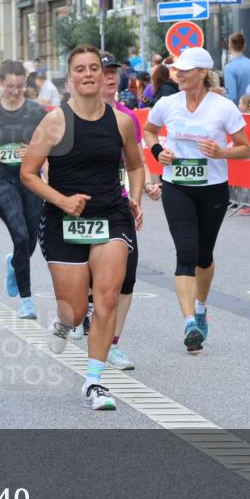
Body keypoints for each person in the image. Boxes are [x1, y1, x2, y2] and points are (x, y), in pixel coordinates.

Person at [20, 46, 145, 411]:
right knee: (75, 312)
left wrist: (135, 198)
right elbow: (28, 173)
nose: (88, 74)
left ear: (102, 75)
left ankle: (94, 382)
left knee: (106, 298)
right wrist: (62, 201)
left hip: (111, 217)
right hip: (65, 222)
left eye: (93, 68)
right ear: (70, 77)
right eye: (80, 69)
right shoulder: (55, 121)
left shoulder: (120, 122)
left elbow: (136, 166)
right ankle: (64, 322)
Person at [142, 47, 250, 353]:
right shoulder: (168, 103)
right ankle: (189, 322)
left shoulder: (223, 107)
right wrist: (157, 152)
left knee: (204, 255)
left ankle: (201, 307)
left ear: (202, 73)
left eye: (185, 70)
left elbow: (245, 148)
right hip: (176, 185)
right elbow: (149, 131)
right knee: (186, 254)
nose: (178, 75)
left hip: (212, 188)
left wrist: (222, 152)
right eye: (176, 70)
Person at [98, 52, 161, 369]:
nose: (111, 77)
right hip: (86, 206)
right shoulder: (74, 115)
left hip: (120, 203)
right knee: (86, 278)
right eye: (104, 72)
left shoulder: (128, 117)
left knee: (127, 275)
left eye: (114, 72)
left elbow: (136, 161)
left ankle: (112, 344)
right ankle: (81, 314)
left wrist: (145, 188)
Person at [0, 60, 47, 320]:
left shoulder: (36, 112)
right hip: (3, 179)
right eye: (10, 86)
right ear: (0, 84)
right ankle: (26, 301)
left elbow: (52, 144)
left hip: (31, 179)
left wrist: (35, 152)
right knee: (20, 236)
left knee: (30, 239)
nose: (15, 91)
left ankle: (15, 263)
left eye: (20, 86)